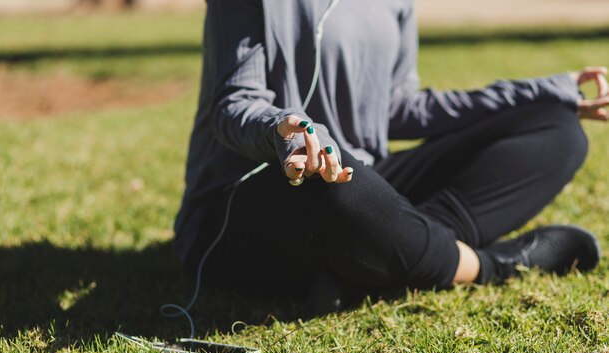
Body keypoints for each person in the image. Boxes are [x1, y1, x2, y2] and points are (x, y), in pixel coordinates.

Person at [173, 0, 608, 308]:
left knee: (557, 128)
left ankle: (377, 259)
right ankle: (491, 265)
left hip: (364, 188)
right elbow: (234, 104)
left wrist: (546, 91)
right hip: (259, 203)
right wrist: (285, 131)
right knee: (340, 190)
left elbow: (400, 106)